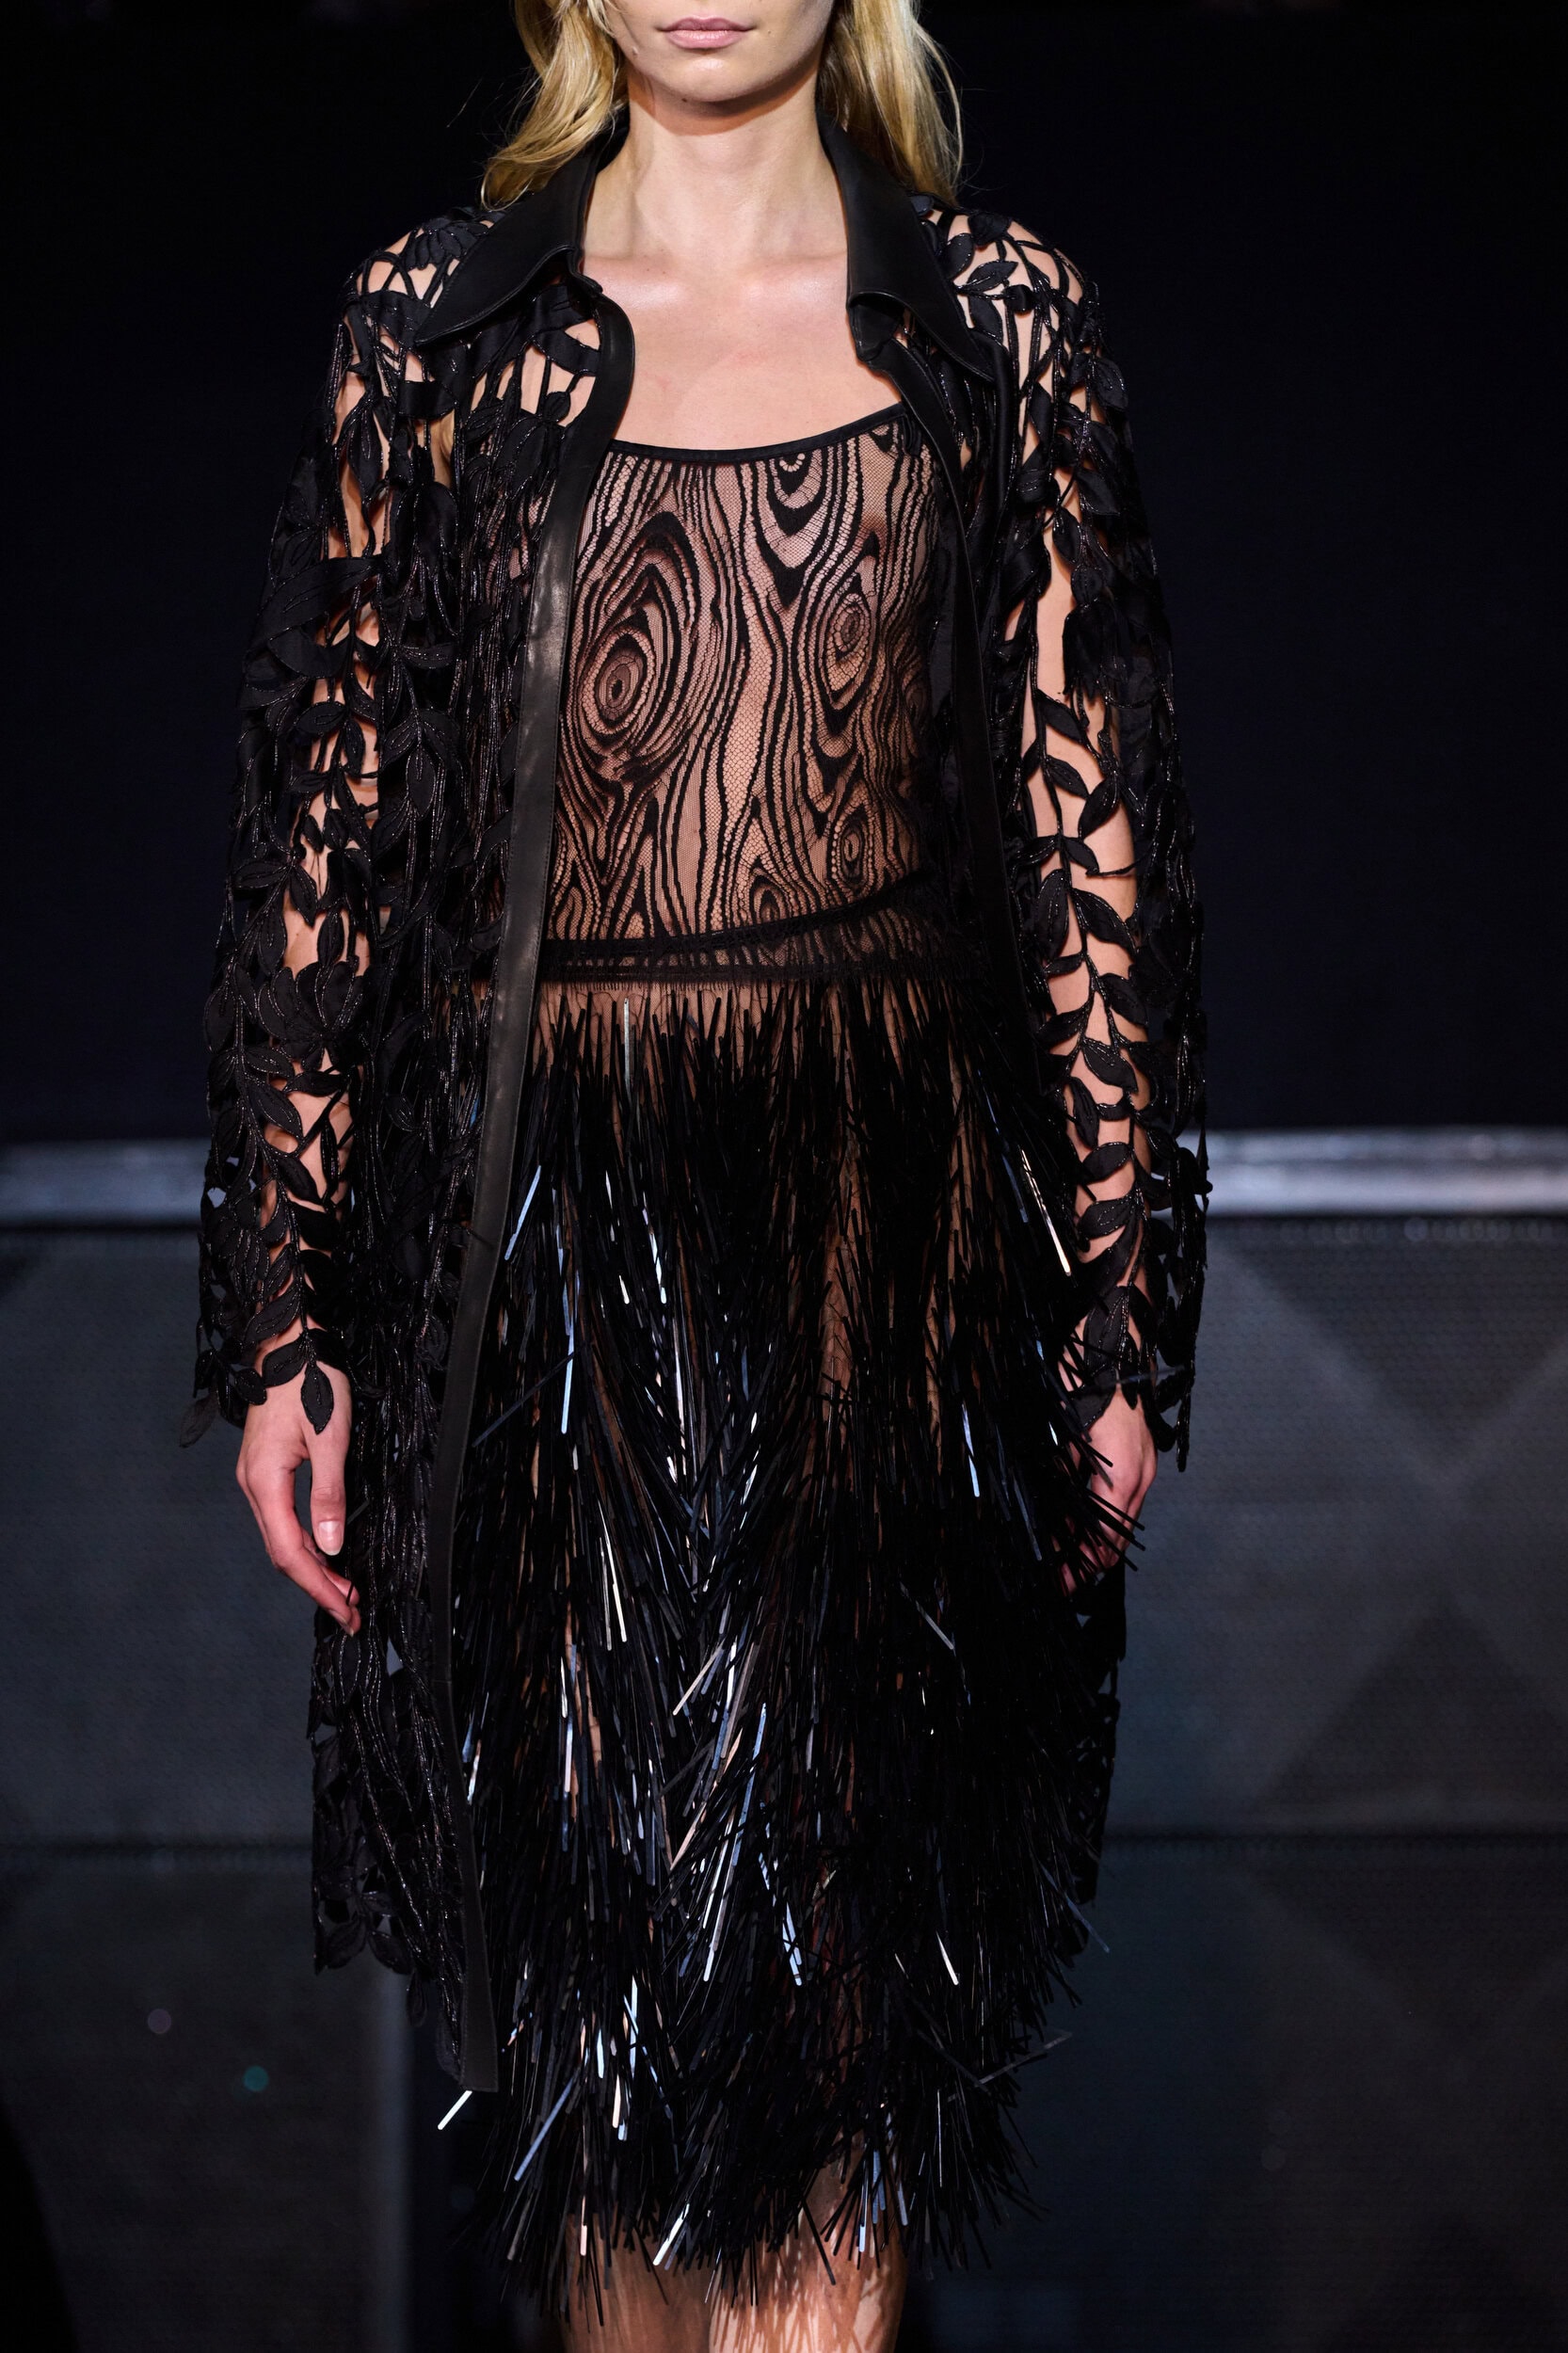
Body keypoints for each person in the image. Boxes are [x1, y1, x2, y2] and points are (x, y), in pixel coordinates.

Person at [191, 0, 1205, 2343]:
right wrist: (286, 1305)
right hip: (537, 1244)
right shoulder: (438, 331)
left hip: (883, 1237)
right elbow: (333, 830)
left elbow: (1088, 845)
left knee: (845, 1980)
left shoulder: (989, 326)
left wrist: (1115, 1299)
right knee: (593, 2004)